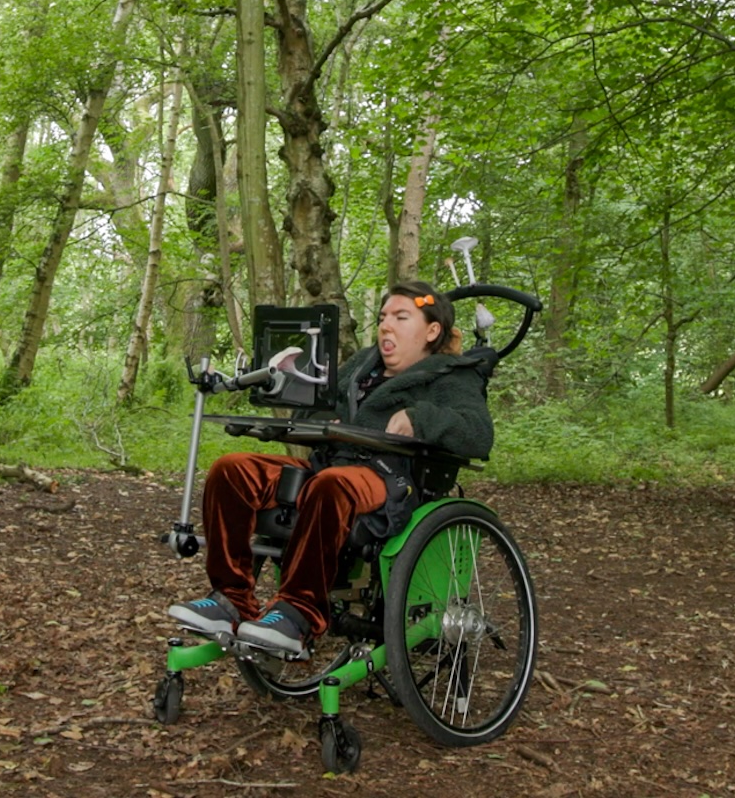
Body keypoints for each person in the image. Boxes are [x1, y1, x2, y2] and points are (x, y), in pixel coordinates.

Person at [167, 281, 494, 656]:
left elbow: (478, 433)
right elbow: (311, 407)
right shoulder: (362, 364)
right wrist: (327, 419)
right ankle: (230, 600)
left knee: (332, 485)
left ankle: (297, 613)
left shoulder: (451, 374)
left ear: (432, 331)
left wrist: (421, 417)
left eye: (401, 318)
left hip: (390, 478)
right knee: (232, 470)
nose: (386, 326)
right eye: (383, 317)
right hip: (329, 465)